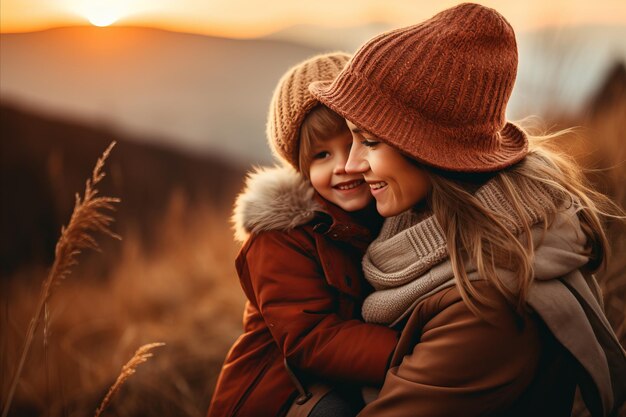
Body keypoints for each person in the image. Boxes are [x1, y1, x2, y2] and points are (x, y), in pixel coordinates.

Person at [309, 3, 626, 417]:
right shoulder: (422, 230)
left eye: (369, 142)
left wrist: (295, 403)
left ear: (430, 149)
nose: (351, 165)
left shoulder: (487, 305)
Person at [207, 53, 399, 417]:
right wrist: (412, 350)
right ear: (300, 166)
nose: (344, 165)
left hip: (347, 375)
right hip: (282, 393)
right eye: (322, 154)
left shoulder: (387, 209)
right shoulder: (281, 238)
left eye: (358, 144)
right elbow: (313, 339)